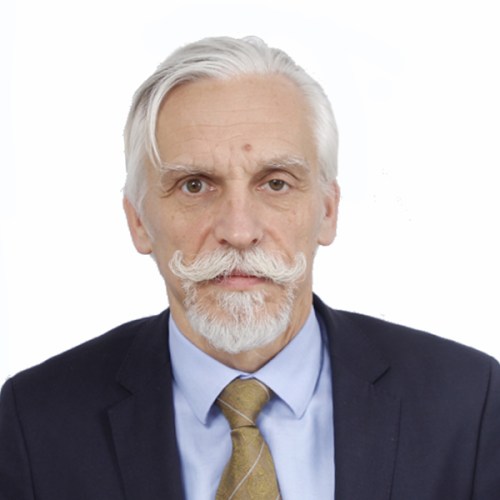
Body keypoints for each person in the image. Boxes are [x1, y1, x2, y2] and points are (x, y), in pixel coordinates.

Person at [0, 36, 499, 500]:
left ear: (328, 211)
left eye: (276, 183)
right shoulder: (34, 420)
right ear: (138, 222)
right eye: (195, 185)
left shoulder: (469, 403)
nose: (239, 231)